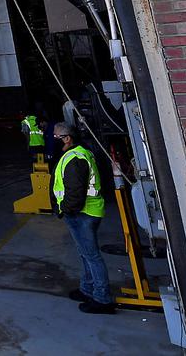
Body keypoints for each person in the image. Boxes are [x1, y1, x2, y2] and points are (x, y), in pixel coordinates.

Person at [51, 121, 115, 314]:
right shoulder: (78, 153)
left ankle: (102, 298)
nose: (52, 140)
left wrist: (66, 210)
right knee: (85, 253)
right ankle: (87, 289)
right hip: (84, 212)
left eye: (55, 137)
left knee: (92, 256)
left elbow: (76, 192)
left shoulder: (75, 159)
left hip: (83, 214)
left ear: (67, 138)